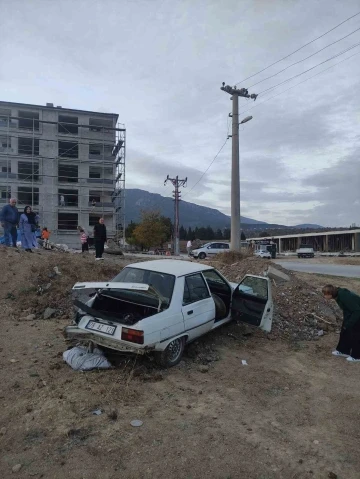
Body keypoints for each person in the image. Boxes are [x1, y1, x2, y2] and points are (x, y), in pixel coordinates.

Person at [322, 284, 360, 362]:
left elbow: (357, 311)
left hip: (357, 313)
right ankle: (343, 351)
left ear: (330, 294)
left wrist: (350, 323)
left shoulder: (344, 296)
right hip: (351, 313)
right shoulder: (337, 295)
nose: (324, 296)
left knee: (355, 334)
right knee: (344, 330)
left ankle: (357, 356)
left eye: (325, 294)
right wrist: (346, 323)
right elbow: (347, 309)